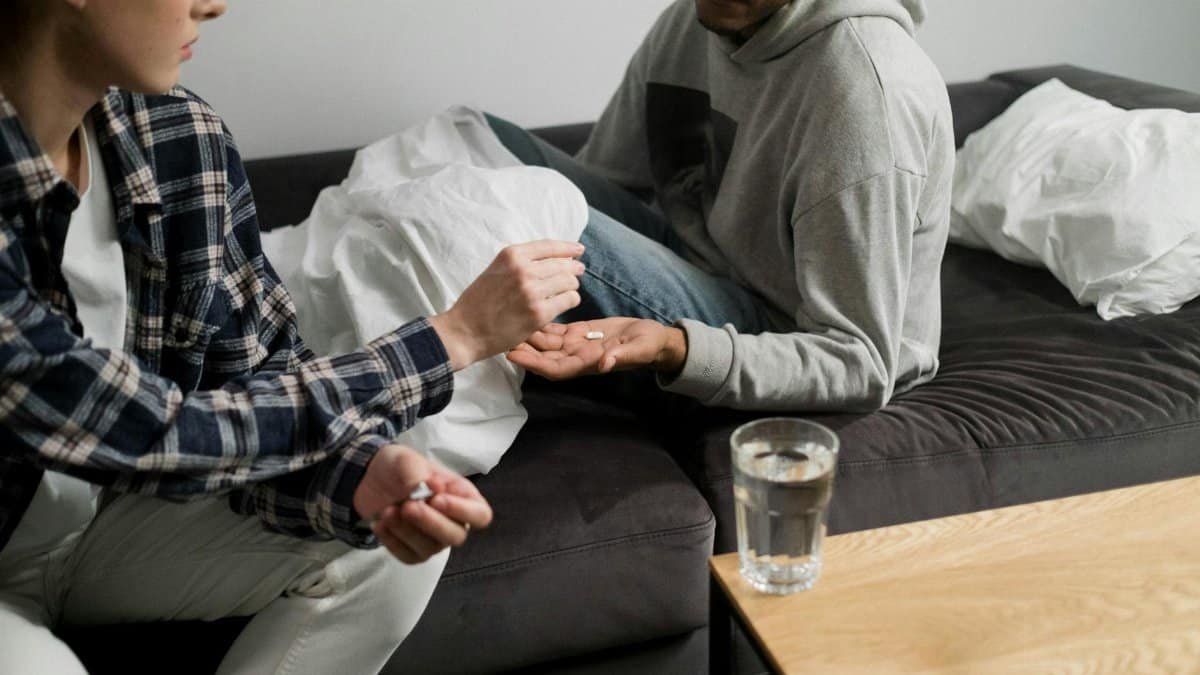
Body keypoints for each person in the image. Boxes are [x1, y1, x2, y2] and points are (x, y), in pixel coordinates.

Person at [0, 1, 584, 673]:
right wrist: (450, 338)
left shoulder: (177, 137)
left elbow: (253, 381)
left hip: (97, 527)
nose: (212, 6)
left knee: (383, 531)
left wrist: (357, 472)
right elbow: (148, 429)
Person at [501, 0, 954, 413]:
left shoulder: (865, 90)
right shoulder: (697, 18)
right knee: (473, 138)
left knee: (514, 206)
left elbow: (861, 362)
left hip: (781, 333)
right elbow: (603, 184)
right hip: (700, 261)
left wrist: (675, 347)